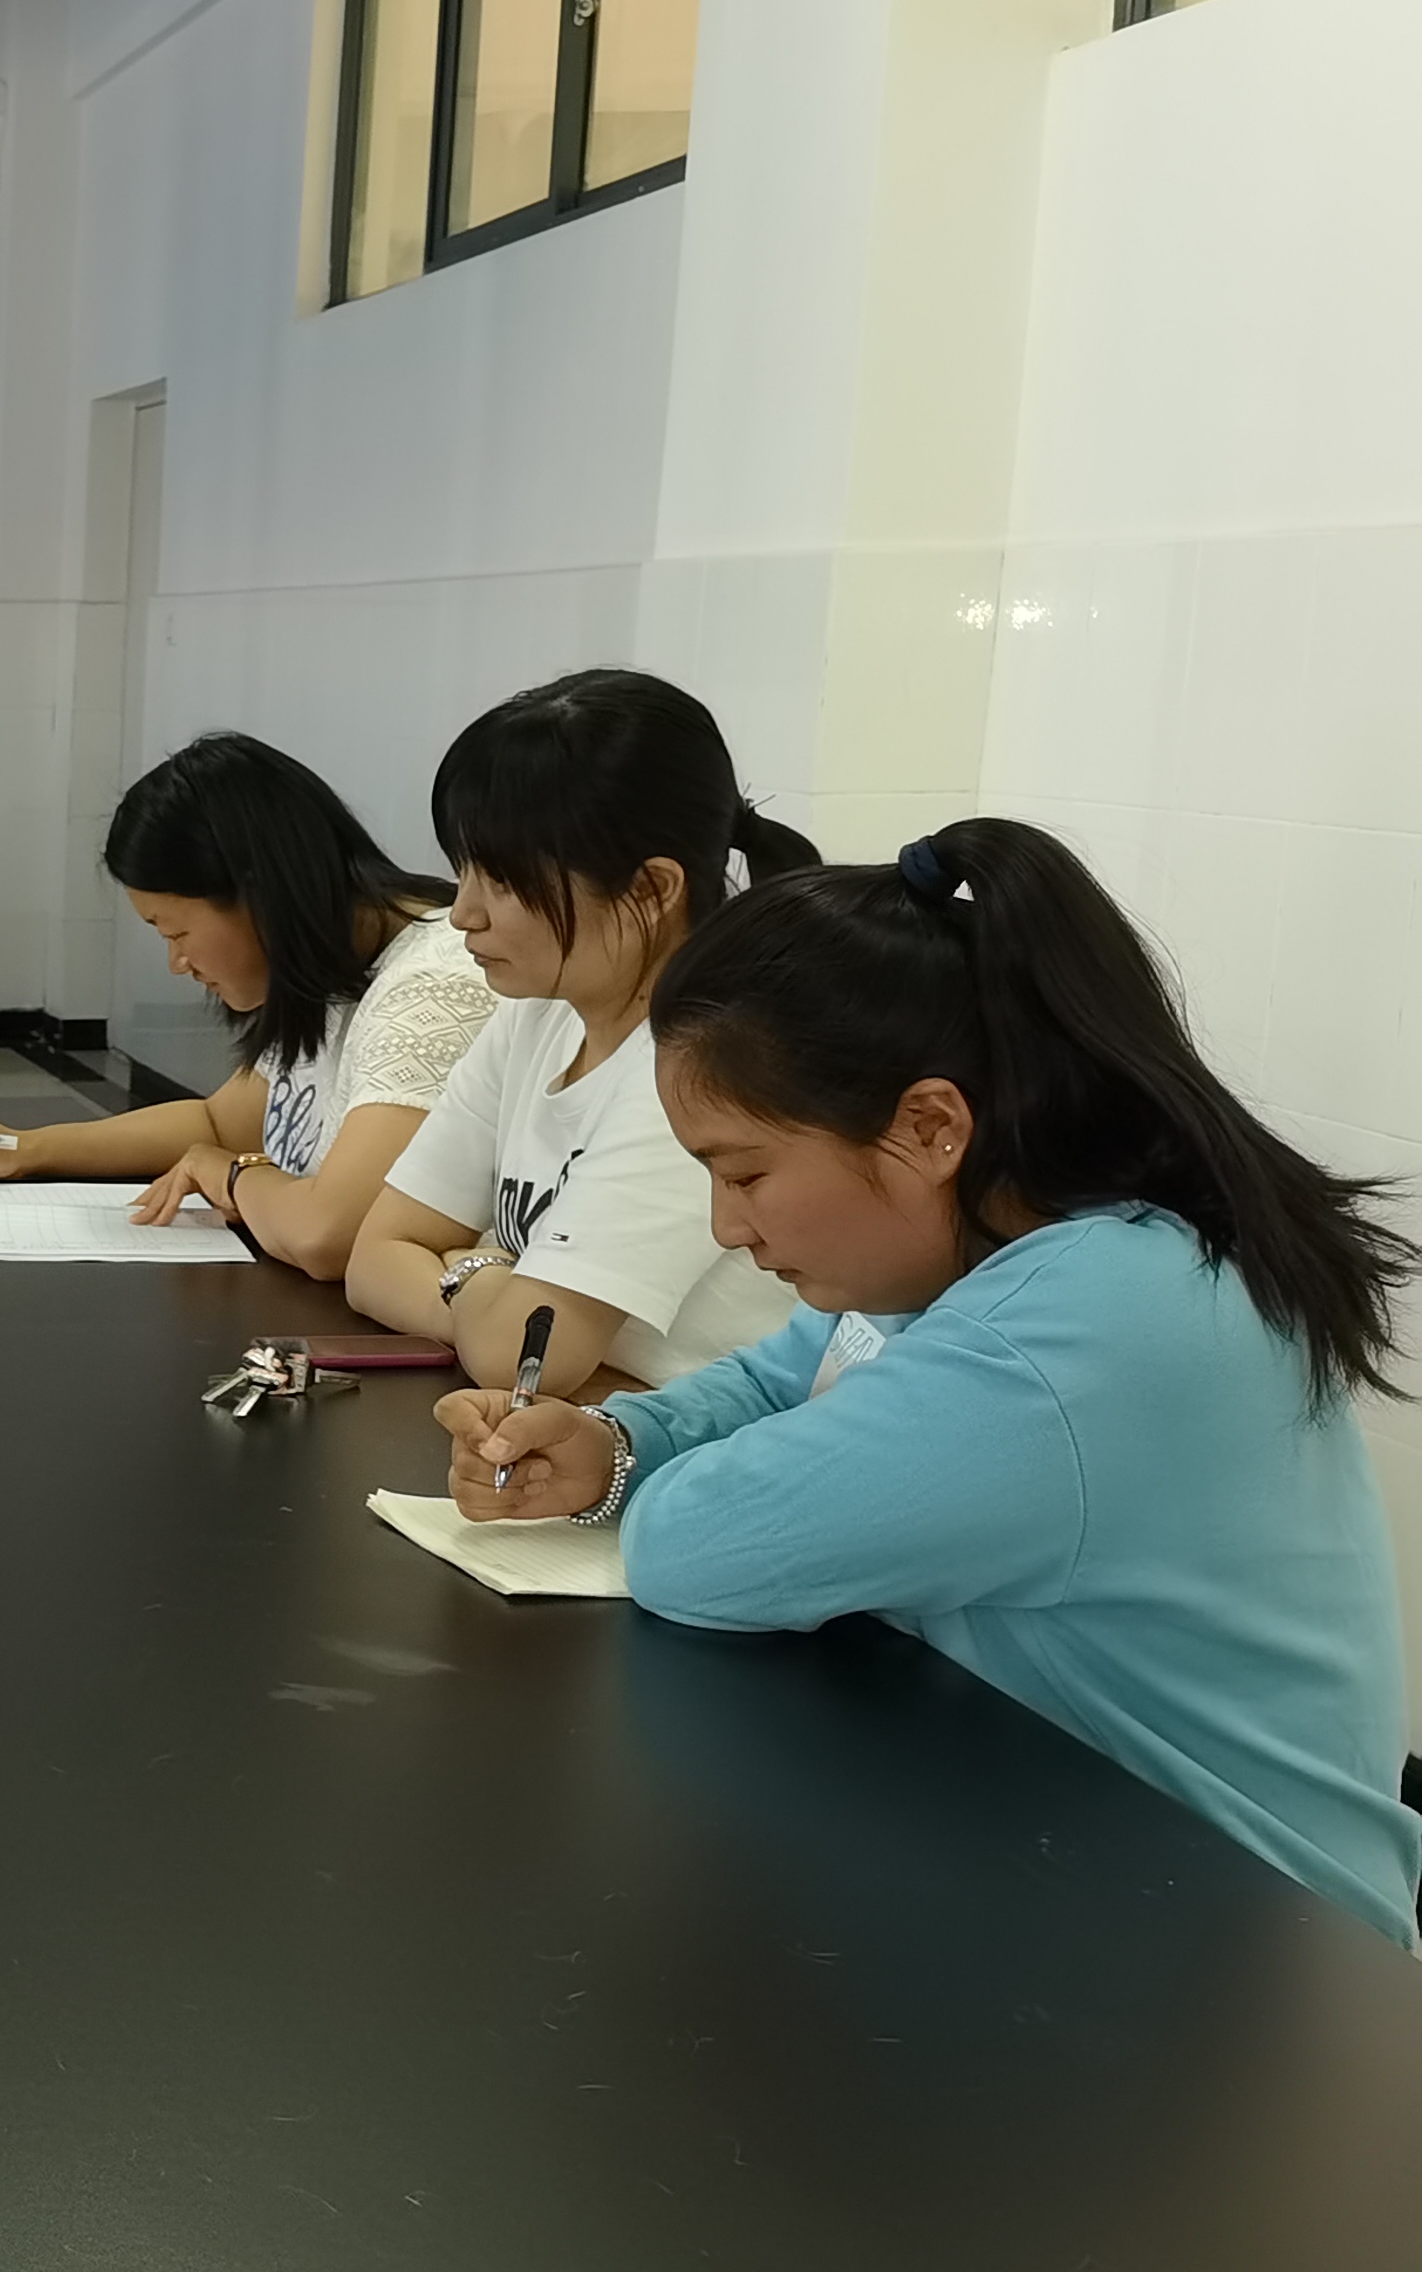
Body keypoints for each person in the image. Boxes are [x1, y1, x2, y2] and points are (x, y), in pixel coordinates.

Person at [440, 821, 1421, 1947]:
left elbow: (697, 1548)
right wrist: (617, 1449)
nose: (726, 1226)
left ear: (929, 1126)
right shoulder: (998, 1239)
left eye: (744, 1172)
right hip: (1063, 1847)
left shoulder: (1083, 1323)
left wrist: (663, 1490)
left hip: (1256, 1957)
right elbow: (779, 1380)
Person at [344, 668, 808, 1391]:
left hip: (698, 1436)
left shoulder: (706, 1063)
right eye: (463, 871)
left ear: (651, 889)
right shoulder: (539, 1013)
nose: (463, 913)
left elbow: (525, 1354)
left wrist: (468, 1270)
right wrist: (492, 1289)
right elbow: (373, 1256)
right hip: (595, 1417)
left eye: (502, 880)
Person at [0, 732, 495, 1279]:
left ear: (261, 894)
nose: (178, 964)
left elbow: (327, 1235)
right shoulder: (336, 968)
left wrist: (232, 1173)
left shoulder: (434, 989)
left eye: (176, 933)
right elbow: (218, 1124)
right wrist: (24, 1151)